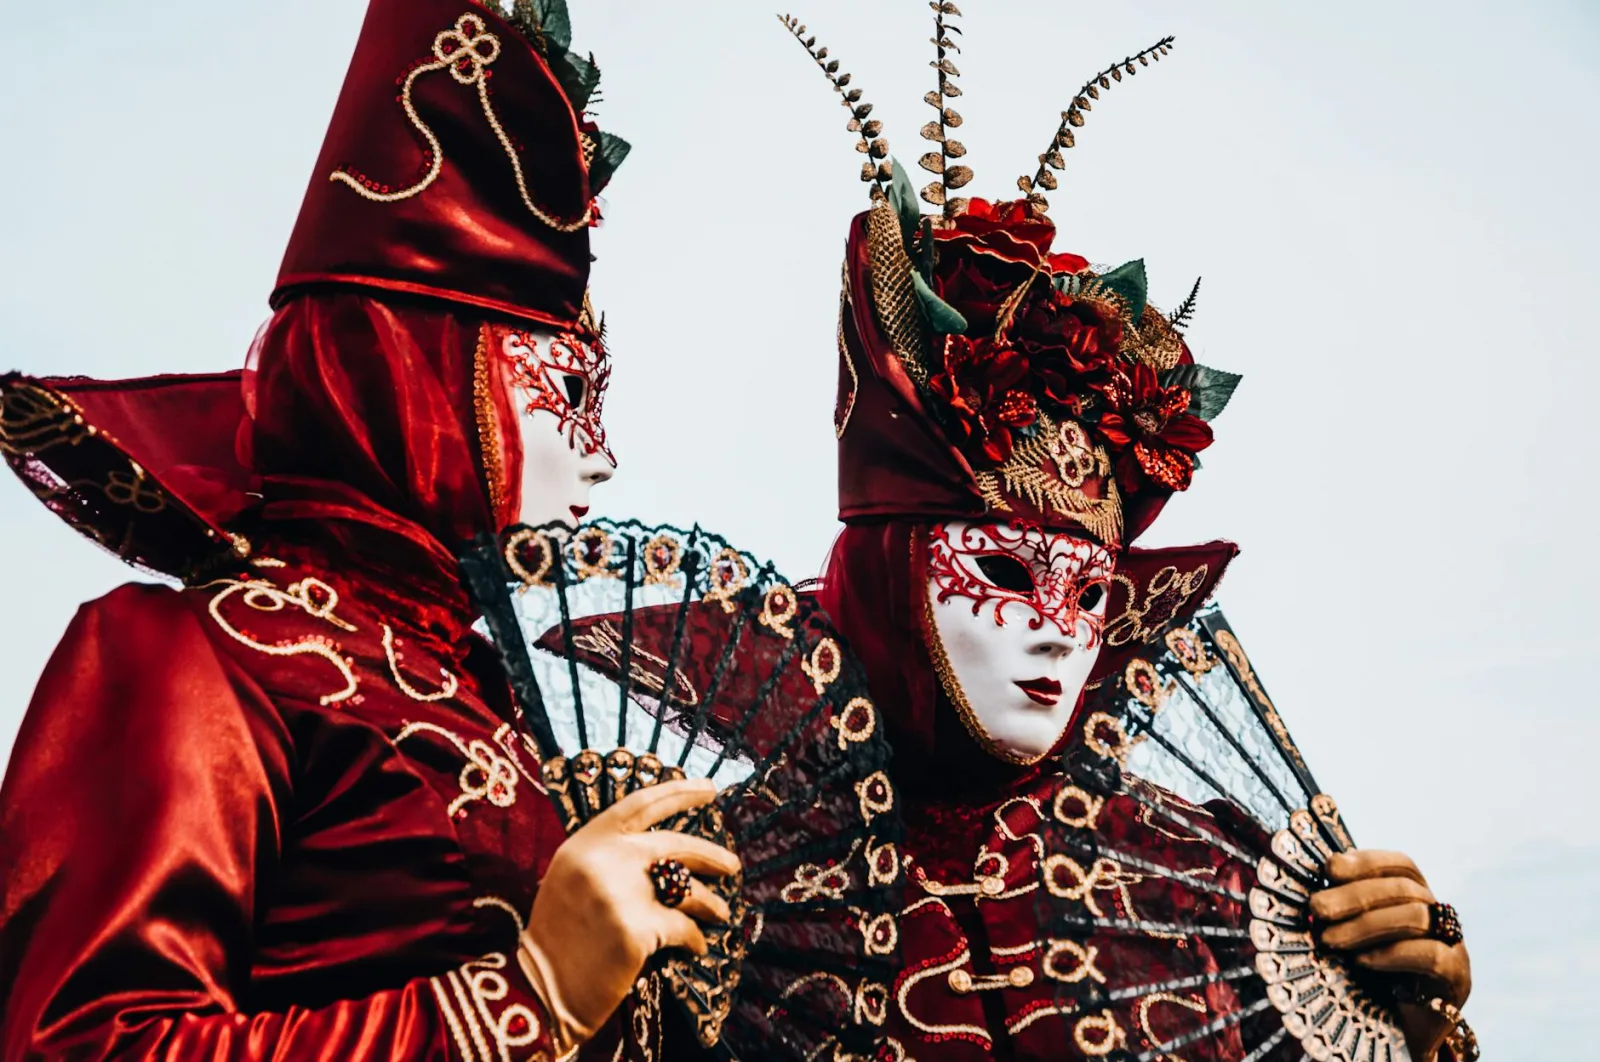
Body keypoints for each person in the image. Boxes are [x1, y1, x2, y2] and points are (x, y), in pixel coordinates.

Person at [0, 1, 735, 1059]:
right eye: (568, 393)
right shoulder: (196, 658)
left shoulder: (503, 706)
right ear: (421, 371)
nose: (601, 457)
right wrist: (527, 1000)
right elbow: (84, 1043)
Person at [777, 12, 1477, 1061]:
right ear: (886, 576)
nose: (1059, 631)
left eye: (1092, 592)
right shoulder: (730, 882)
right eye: (1006, 572)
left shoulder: (1214, 884)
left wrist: (1418, 1031)